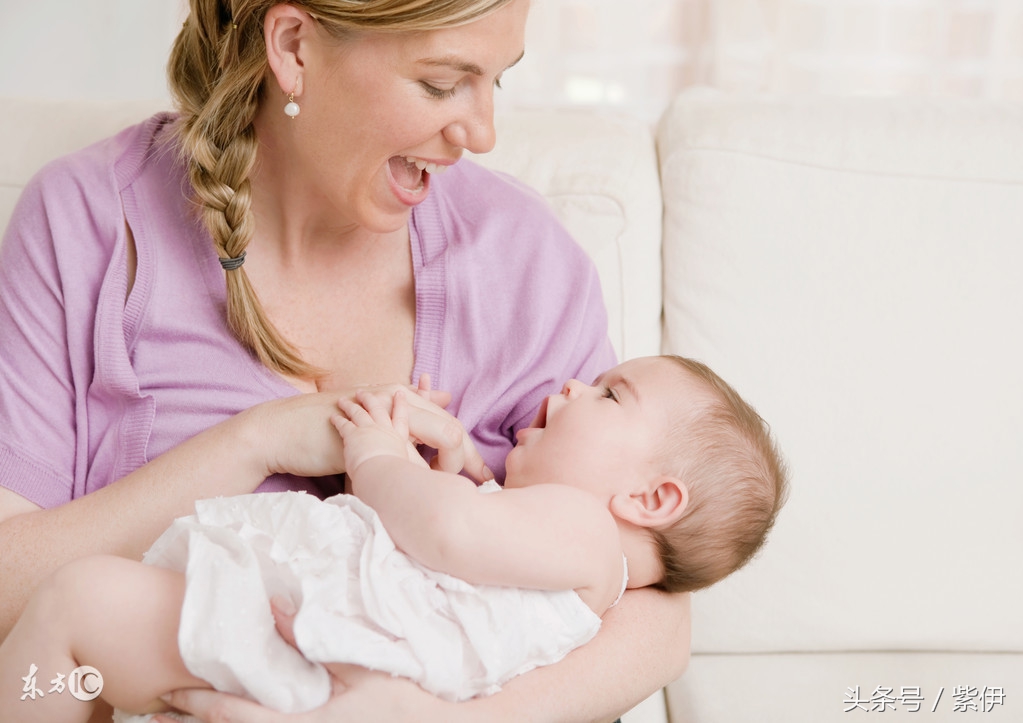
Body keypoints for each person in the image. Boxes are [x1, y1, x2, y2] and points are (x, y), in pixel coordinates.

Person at [0, 0, 695, 720]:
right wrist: (254, 441)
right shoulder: (89, 226)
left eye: (497, 81)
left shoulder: (524, 264)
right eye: (440, 83)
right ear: (294, 46)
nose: (482, 133)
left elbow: (653, 604)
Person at [0, 355, 788, 722]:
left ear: (650, 498)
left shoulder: (584, 532)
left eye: (612, 392)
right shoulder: (561, 558)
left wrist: (374, 453)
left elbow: (445, 529)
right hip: (324, 674)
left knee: (73, 604)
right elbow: (459, 547)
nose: (575, 384)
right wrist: (458, 469)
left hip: (308, 666)